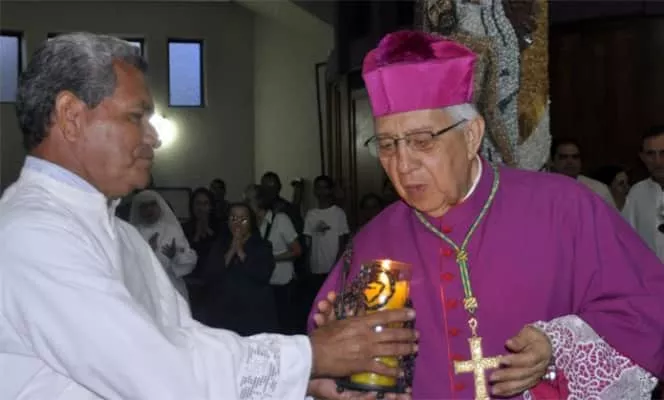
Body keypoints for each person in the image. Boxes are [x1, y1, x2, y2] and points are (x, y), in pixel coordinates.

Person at [0, 32, 418, 400]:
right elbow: (157, 373)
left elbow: (187, 341)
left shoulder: (120, 233)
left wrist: (303, 382)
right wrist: (313, 355)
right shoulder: (32, 234)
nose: (154, 137)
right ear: (72, 117)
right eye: (136, 116)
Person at [309, 30, 664, 399]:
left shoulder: (565, 208)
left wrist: (557, 346)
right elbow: (332, 373)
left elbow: (647, 309)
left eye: (422, 141)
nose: (402, 164)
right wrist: (340, 363)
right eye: (386, 144)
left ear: (471, 135)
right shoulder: (371, 243)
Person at [199, 202, 279, 336]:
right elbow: (210, 274)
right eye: (233, 218)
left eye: (243, 219)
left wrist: (241, 252)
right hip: (223, 313)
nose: (238, 224)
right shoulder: (219, 244)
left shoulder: (263, 245)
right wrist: (231, 250)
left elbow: (263, 274)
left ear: (251, 222)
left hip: (254, 313)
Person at [130, 189, 197, 302]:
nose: (149, 209)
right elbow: (128, 265)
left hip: (172, 289)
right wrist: (147, 251)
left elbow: (190, 260)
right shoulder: (132, 232)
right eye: (144, 206)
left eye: (152, 205)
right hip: (144, 291)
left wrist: (175, 256)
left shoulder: (172, 230)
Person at [304, 175, 350, 298]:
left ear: (330, 190)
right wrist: (308, 264)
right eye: (318, 188)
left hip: (333, 267)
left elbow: (342, 242)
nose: (321, 191)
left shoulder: (338, 213)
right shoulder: (311, 214)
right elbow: (309, 242)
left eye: (324, 188)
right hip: (315, 267)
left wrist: (337, 265)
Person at [623, 126, 664, 261]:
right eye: (651, 154)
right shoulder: (637, 193)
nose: (658, 161)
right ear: (642, 157)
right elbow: (627, 241)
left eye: (663, 153)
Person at [550, 138, 617, 208]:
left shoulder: (598, 190)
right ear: (552, 161)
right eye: (563, 157)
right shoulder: (545, 189)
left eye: (575, 157)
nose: (570, 161)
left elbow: (611, 214)